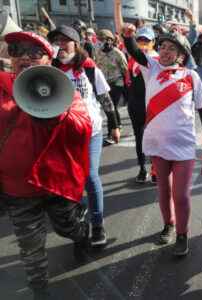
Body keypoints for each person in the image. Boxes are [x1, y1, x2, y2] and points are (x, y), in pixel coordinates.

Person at [0, 31, 92, 299]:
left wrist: (54, 111)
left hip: (55, 184)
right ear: (10, 57)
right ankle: (40, 290)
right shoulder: (2, 87)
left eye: (34, 52)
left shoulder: (64, 90)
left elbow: (82, 128)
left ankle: (81, 232)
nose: (25, 56)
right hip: (18, 190)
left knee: (68, 228)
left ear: (48, 60)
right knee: (31, 248)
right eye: (17, 50)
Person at [122, 23, 202, 256]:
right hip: (156, 143)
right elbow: (133, 50)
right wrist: (128, 34)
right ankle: (168, 225)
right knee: (163, 189)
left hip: (183, 145)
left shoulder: (191, 76)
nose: (165, 51)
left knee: (180, 195)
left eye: (172, 48)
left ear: (181, 56)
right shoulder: (150, 67)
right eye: (162, 46)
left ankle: (182, 234)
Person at [48, 25, 119, 247]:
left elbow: (105, 98)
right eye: (56, 41)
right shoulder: (50, 69)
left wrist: (114, 126)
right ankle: (77, 221)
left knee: (89, 176)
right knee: (68, 180)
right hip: (62, 134)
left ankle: (98, 225)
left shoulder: (89, 69)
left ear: (76, 44)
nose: (60, 46)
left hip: (90, 131)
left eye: (64, 41)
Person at [127, 26, 159, 183]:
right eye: (139, 40)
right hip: (135, 103)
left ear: (153, 42)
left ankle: (155, 167)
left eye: (146, 40)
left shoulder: (157, 60)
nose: (143, 43)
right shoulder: (132, 58)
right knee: (139, 137)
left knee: (154, 137)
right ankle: (142, 168)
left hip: (153, 104)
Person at [95, 29, 128, 145]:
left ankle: (111, 133)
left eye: (102, 39)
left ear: (110, 40)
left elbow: (125, 70)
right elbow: (97, 66)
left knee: (111, 105)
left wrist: (126, 88)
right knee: (110, 107)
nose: (100, 42)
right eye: (99, 39)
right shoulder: (98, 52)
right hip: (104, 83)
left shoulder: (118, 53)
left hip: (117, 82)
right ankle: (117, 125)